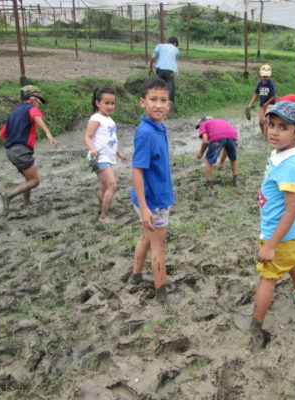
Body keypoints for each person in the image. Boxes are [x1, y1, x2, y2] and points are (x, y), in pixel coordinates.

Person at [250, 101, 295, 350]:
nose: (273, 132)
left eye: (283, 127)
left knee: (268, 277)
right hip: (294, 232)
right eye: (271, 124)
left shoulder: (291, 164)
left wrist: (271, 245)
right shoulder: (284, 152)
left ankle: (255, 326)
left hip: (282, 235)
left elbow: (291, 208)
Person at [130, 78, 175, 303]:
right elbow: (137, 171)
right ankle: (162, 293)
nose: (158, 105)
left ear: (169, 105)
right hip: (153, 201)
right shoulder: (145, 133)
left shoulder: (158, 127)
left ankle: (136, 276)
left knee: (146, 238)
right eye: (153, 99)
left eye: (163, 100)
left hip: (153, 197)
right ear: (142, 102)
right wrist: (145, 206)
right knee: (158, 247)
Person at [0, 85, 58, 215]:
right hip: (21, 150)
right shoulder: (31, 108)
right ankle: (8, 195)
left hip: (11, 151)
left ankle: (26, 202)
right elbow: (36, 117)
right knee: (34, 181)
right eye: (38, 102)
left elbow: (2, 134)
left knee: (28, 178)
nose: (39, 105)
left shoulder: (13, 113)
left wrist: (10, 148)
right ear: (32, 100)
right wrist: (49, 134)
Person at [84, 87, 127, 223]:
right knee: (112, 185)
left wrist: (118, 152)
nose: (110, 106)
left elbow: (110, 139)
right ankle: (104, 215)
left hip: (107, 156)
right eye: (106, 103)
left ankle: (101, 207)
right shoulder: (96, 118)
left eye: (112, 103)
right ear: (98, 103)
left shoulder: (109, 119)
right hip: (99, 157)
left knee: (103, 186)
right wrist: (93, 150)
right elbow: (87, 137)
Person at [195, 116, 239, 187]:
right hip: (232, 136)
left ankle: (208, 183)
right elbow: (226, 149)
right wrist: (221, 163)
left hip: (217, 138)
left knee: (209, 161)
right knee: (233, 158)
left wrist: (201, 153)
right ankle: (235, 180)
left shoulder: (204, 124)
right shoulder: (222, 121)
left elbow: (205, 141)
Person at [246, 64, 277, 138]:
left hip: (270, 105)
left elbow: (273, 96)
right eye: (264, 76)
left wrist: (266, 104)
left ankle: (267, 137)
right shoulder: (260, 83)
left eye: (267, 76)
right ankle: (264, 135)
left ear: (270, 75)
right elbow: (256, 94)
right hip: (262, 105)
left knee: (266, 121)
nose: (265, 78)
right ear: (261, 75)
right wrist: (250, 104)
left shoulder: (271, 84)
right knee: (260, 122)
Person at [149, 37, 180, 106]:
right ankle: (170, 101)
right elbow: (174, 60)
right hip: (170, 70)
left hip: (159, 69)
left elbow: (153, 57)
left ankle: (155, 99)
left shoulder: (160, 46)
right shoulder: (176, 50)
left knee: (159, 84)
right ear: (175, 43)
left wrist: (150, 68)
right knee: (170, 82)